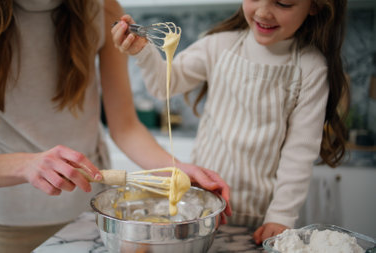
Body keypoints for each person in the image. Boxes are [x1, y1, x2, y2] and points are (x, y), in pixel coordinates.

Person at [0, 0, 232, 252]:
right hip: (11, 227)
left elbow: (124, 126)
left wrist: (175, 168)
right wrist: (26, 165)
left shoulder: (101, 10)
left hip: (93, 218)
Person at [112, 0, 349, 245]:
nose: (263, 12)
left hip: (260, 220)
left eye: (283, 3)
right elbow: (163, 85)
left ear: (315, 6)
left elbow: (299, 152)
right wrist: (143, 50)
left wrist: (281, 217)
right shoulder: (219, 45)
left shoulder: (310, 68)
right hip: (200, 211)